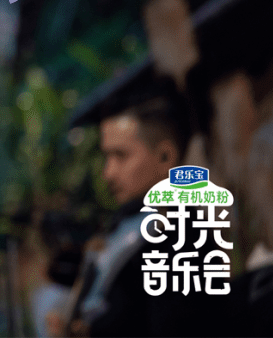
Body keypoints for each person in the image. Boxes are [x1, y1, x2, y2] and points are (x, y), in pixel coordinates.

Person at [60, 81, 224, 337]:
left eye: (121, 156)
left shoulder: (184, 241)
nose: (108, 173)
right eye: (106, 157)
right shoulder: (125, 224)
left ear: (165, 157)